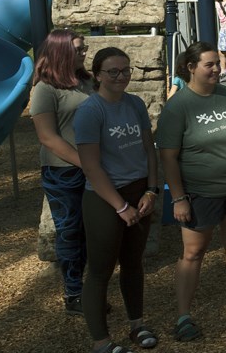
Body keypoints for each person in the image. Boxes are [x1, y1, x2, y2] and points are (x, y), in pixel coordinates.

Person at [157, 42, 226, 341]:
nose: (217, 69)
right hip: (200, 192)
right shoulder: (178, 106)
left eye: (218, 63)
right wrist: (178, 198)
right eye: (209, 64)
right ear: (190, 68)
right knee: (193, 252)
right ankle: (183, 315)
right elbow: (167, 156)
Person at [74, 47, 159, 353]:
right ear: (97, 75)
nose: (121, 76)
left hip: (140, 192)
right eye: (113, 72)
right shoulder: (90, 111)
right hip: (105, 198)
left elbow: (149, 150)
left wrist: (152, 190)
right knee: (100, 270)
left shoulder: (135, 103)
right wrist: (121, 207)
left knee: (134, 263)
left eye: (126, 70)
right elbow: (91, 166)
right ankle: (102, 341)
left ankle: (137, 325)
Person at [30, 30, 95, 316]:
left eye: (84, 48)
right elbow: (48, 137)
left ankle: (92, 289)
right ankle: (74, 293)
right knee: (70, 232)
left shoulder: (87, 82)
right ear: (61, 52)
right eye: (79, 49)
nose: (84, 52)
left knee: (93, 231)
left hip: (94, 167)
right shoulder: (45, 88)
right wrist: (86, 163)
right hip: (63, 173)